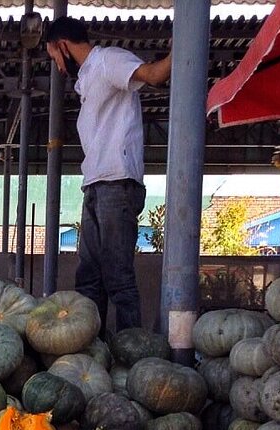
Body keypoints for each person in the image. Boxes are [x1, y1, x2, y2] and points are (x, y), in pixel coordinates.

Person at [45, 17, 171, 336]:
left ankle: (132, 350)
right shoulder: (87, 77)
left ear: (62, 45)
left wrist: (186, 44)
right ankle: (93, 348)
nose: (57, 66)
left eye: (54, 56)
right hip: (96, 184)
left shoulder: (107, 61)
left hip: (117, 181)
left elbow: (153, 75)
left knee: (117, 276)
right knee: (89, 277)